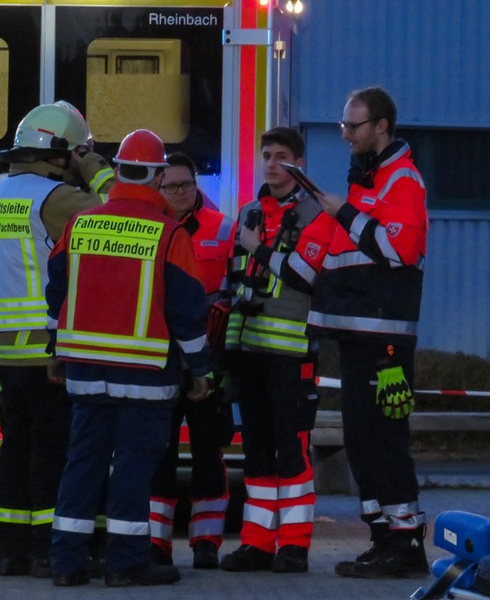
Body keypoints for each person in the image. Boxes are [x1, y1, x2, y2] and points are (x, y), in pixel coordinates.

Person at [46, 129, 212, 587]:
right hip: (144, 374)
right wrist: (201, 371)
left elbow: (56, 292)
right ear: (158, 176)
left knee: (82, 464)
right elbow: (186, 313)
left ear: (117, 171)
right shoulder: (169, 233)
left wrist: (55, 352)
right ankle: (125, 563)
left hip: (84, 372)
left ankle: (66, 561)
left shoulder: (80, 226)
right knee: (133, 471)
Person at [0, 101, 114, 578]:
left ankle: (10, 551)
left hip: (6, 352)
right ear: (64, 155)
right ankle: (48, 549)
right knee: (53, 453)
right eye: (79, 154)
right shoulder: (56, 199)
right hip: (48, 353)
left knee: (15, 453)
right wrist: (99, 170)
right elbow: (127, 216)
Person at [307, 86, 429, 578]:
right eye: (342, 126)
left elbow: (395, 250)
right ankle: (385, 540)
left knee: (382, 440)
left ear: (380, 126)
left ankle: (405, 546)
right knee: (361, 439)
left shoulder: (401, 179)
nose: (345, 136)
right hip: (360, 332)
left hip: (384, 338)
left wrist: (343, 212)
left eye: (352, 127)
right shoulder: (369, 180)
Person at [220, 127, 332, 574]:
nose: (271, 163)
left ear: (299, 163)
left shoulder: (316, 214)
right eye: (266, 155)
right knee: (259, 452)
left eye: (281, 156)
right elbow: (234, 276)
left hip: (293, 356)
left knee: (293, 450)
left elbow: (306, 275)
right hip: (250, 353)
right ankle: (257, 543)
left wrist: (260, 250)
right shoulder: (249, 211)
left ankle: (294, 546)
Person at [148, 152, 236, 570]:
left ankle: (206, 543)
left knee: (209, 454)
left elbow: (237, 290)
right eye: (171, 186)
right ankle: (156, 544)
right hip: (158, 362)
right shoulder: (149, 230)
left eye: (186, 184)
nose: (180, 193)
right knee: (157, 455)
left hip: (207, 362)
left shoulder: (224, 229)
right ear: (158, 187)